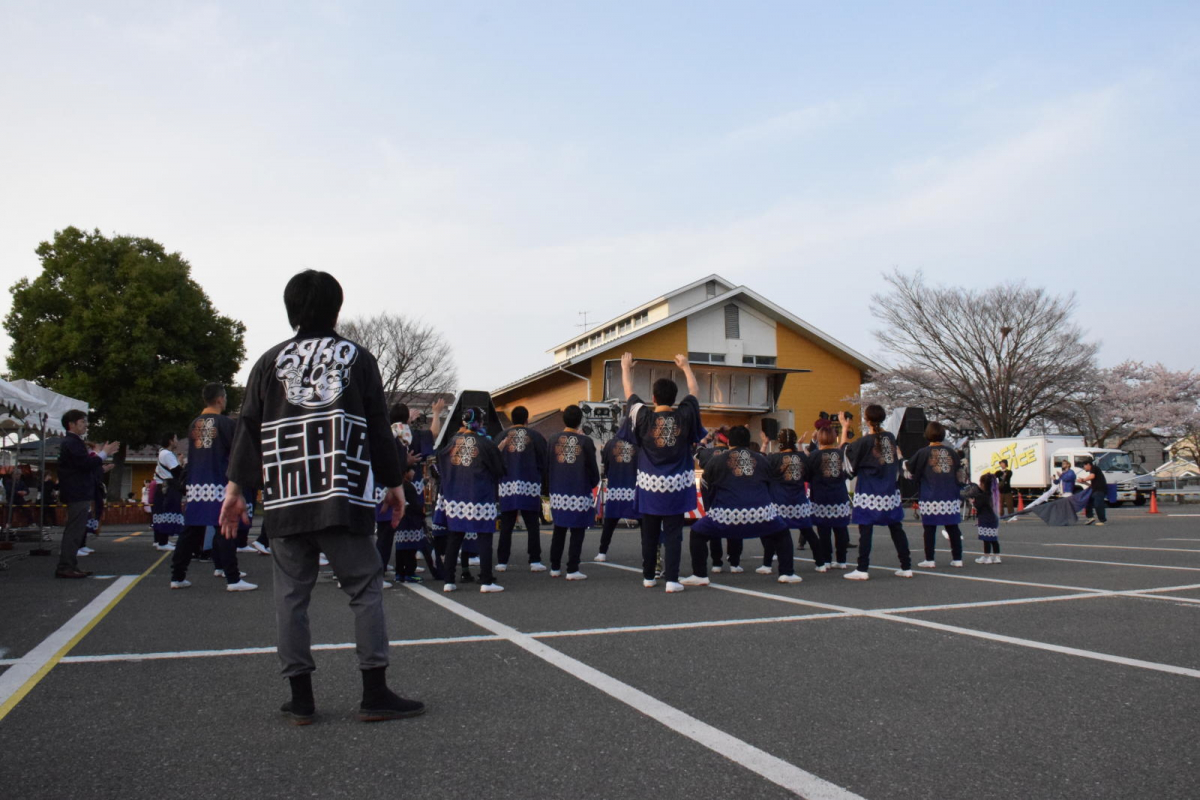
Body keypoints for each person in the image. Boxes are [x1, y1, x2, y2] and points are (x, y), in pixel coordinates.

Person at [219, 269, 423, 725]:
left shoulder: (269, 361)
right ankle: (374, 692)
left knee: (291, 598)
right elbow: (376, 426)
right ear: (337, 308)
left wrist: (236, 490)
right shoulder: (357, 358)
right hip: (342, 494)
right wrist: (394, 485)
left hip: (286, 498)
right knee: (365, 589)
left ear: (291, 310)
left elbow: (249, 428)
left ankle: (302, 698)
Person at [619, 352, 704, 594]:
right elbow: (695, 392)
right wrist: (686, 367)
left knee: (649, 532)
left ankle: (648, 576)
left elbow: (628, 393)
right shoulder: (685, 415)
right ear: (676, 398)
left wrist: (627, 368)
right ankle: (672, 580)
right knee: (674, 533)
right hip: (676, 485)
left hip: (649, 485)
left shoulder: (643, 415)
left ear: (653, 398)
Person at [683, 426, 802, 586]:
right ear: (748, 441)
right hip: (761, 513)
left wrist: (712, 509)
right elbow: (771, 484)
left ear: (729, 441)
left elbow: (706, 485)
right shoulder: (762, 459)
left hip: (726, 514)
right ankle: (787, 573)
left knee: (697, 532)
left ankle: (700, 575)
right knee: (782, 533)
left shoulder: (716, 460)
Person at [170, 383, 256, 592]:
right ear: (220, 399)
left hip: (197, 485)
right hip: (220, 482)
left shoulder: (194, 424)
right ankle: (232, 578)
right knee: (225, 529)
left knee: (190, 531)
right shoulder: (226, 424)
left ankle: (177, 576)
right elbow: (238, 452)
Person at [435, 407, 505, 593]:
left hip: (456, 495)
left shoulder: (452, 442)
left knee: (455, 536)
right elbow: (499, 469)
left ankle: (448, 580)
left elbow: (440, 462)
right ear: (480, 422)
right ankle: (486, 581)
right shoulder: (485, 443)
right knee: (484, 537)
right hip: (480, 494)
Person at [843, 406, 912, 581]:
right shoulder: (890, 438)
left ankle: (862, 568)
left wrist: (844, 428)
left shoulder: (865, 442)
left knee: (866, 529)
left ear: (867, 420)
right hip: (889, 490)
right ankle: (906, 566)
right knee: (896, 528)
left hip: (869, 491)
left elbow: (845, 454)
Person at [55, 410, 118, 578]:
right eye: (82, 422)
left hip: (77, 491)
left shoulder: (72, 442)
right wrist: (104, 453)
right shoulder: (72, 442)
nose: (85, 425)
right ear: (72, 424)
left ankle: (70, 565)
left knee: (76, 529)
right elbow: (85, 464)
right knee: (74, 530)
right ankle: (66, 566)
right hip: (77, 492)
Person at [546, 405, 600, 580]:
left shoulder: (553, 439)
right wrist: (592, 483)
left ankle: (554, 567)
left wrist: (549, 488)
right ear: (580, 421)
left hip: (558, 491)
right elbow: (593, 469)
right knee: (577, 531)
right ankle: (572, 568)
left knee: (559, 530)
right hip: (579, 490)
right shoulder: (585, 442)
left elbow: (547, 467)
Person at [494, 405, 548, 573]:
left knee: (507, 525)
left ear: (511, 419)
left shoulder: (501, 436)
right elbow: (544, 461)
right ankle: (535, 560)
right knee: (532, 524)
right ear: (527, 419)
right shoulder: (536, 436)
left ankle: (502, 561)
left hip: (507, 485)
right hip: (529, 484)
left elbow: (494, 459)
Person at [907, 422, 967, 569]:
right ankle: (957, 558)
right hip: (950, 496)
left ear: (927, 435)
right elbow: (960, 475)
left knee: (929, 529)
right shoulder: (952, 452)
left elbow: (910, 470)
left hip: (930, 496)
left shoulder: (923, 452)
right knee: (953, 528)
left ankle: (930, 559)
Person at [761, 428, 819, 573]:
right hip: (798, 500)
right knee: (808, 532)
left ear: (779, 442)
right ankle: (821, 562)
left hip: (778, 500)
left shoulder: (773, 458)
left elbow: (764, 475)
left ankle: (767, 565)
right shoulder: (802, 457)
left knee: (771, 534)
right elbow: (809, 476)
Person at [804, 423, 852, 571]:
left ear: (819, 438)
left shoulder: (814, 456)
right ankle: (842, 560)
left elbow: (807, 475)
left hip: (820, 496)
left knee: (823, 530)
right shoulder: (840, 454)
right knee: (841, 529)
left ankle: (826, 560)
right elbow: (849, 472)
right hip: (839, 495)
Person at [373, 403, 411, 581]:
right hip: (387, 489)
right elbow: (400, 462)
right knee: (386, 533)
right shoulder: (400, 435)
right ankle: (377, 574)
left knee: (369, 533)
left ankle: (345, 573)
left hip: (371, 487)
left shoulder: (380, 434)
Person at [596, 418, 640, 562]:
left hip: (616, 488)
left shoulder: (610, 444)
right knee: (645, 524)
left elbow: (605, 467)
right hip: (635, 489)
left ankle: (602, 552)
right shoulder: (639, 444)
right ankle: (649, 555)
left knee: (610, 522)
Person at [695, 429, 732, 572]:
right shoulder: (732, 454)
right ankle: (734, 561)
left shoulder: (707, 453)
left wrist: (704, 440)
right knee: (733, 525)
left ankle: (717, 562)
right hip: (730, 494)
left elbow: (698, 452)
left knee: (714, 526)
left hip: (711, 495)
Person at [151, 432, 183, 552]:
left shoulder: (162, 452)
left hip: (162, 487)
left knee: (161, 513)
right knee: (168, 512)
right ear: (170, 441)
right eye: (175, 438)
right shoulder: (167, 454)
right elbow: (177, 471)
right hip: (168, 487)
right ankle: (163, 542)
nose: (177, 441)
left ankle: (160, 540)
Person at [968, 473, 1002, 563]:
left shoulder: (982, 496)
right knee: (994, 539)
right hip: (993, 519)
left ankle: (987, 557)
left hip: (985, 518)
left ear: (983, 484)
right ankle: (997, 556)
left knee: (986, 539)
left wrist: (972, 502)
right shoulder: (993, 494)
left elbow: (978, 506)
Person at [1078, 459, 1108, 526]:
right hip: (1095, 489)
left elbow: (1092, 476)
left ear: (1088, 464)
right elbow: (1092, 484)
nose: (1084, 468)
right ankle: (1090, 517)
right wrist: (1084, 482)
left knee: (1098, 504)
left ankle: (1102, 520)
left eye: (1084, 466)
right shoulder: (1093, 470)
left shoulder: (1094, 468)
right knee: (1087, 501)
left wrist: (1083, 479)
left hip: (1100, 490)